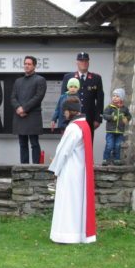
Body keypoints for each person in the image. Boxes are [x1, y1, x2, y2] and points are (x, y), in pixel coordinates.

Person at [49, 96, 96, 244]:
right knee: (76, 204)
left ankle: (65, 235)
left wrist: (55, 169)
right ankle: (77, 234)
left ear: (72, 111)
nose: (64, 113)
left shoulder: (73, 128)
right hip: (79, 170)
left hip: (70, 170)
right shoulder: (84, 125)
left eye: (66, 110)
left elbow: (64, 151)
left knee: (67, 203)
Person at [11, 56, 47, 164]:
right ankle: (24, 167)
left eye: (29, 64)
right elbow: (13, 97)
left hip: (32, 116)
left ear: (34, 66)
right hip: (20, 116)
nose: (26, 66)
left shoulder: (40, 80)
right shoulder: (18, 81)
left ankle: (36, 167)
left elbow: (38, 97)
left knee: (34, 143)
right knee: (22, 144)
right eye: (25, 63)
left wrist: (24, 108)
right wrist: (18, 108)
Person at [61, 52, 104, 140]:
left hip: (89, 118)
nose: (83, 63)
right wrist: (63, 120)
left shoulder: (96, 78)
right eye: (81, 61)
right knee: (72, 145)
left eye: (86, 61)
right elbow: (63, 99)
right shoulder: (68, 77)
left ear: (88, 62)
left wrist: (98, 119)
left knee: (87, 145)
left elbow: (100, 99)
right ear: (77, 63)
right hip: (72, 118)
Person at [102, 88, 131, 166]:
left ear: (121, 98)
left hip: (120, 131)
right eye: (113, 96)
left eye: (117, 96)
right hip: (110, 131)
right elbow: (104, 115)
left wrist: (126, 119)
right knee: (109, 145)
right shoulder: (109, 107)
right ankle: (105, 159)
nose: (114, 97)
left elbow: (129, 116)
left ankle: (116, 159)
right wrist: (112, 117)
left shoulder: (124, 108)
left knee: (117, 145)